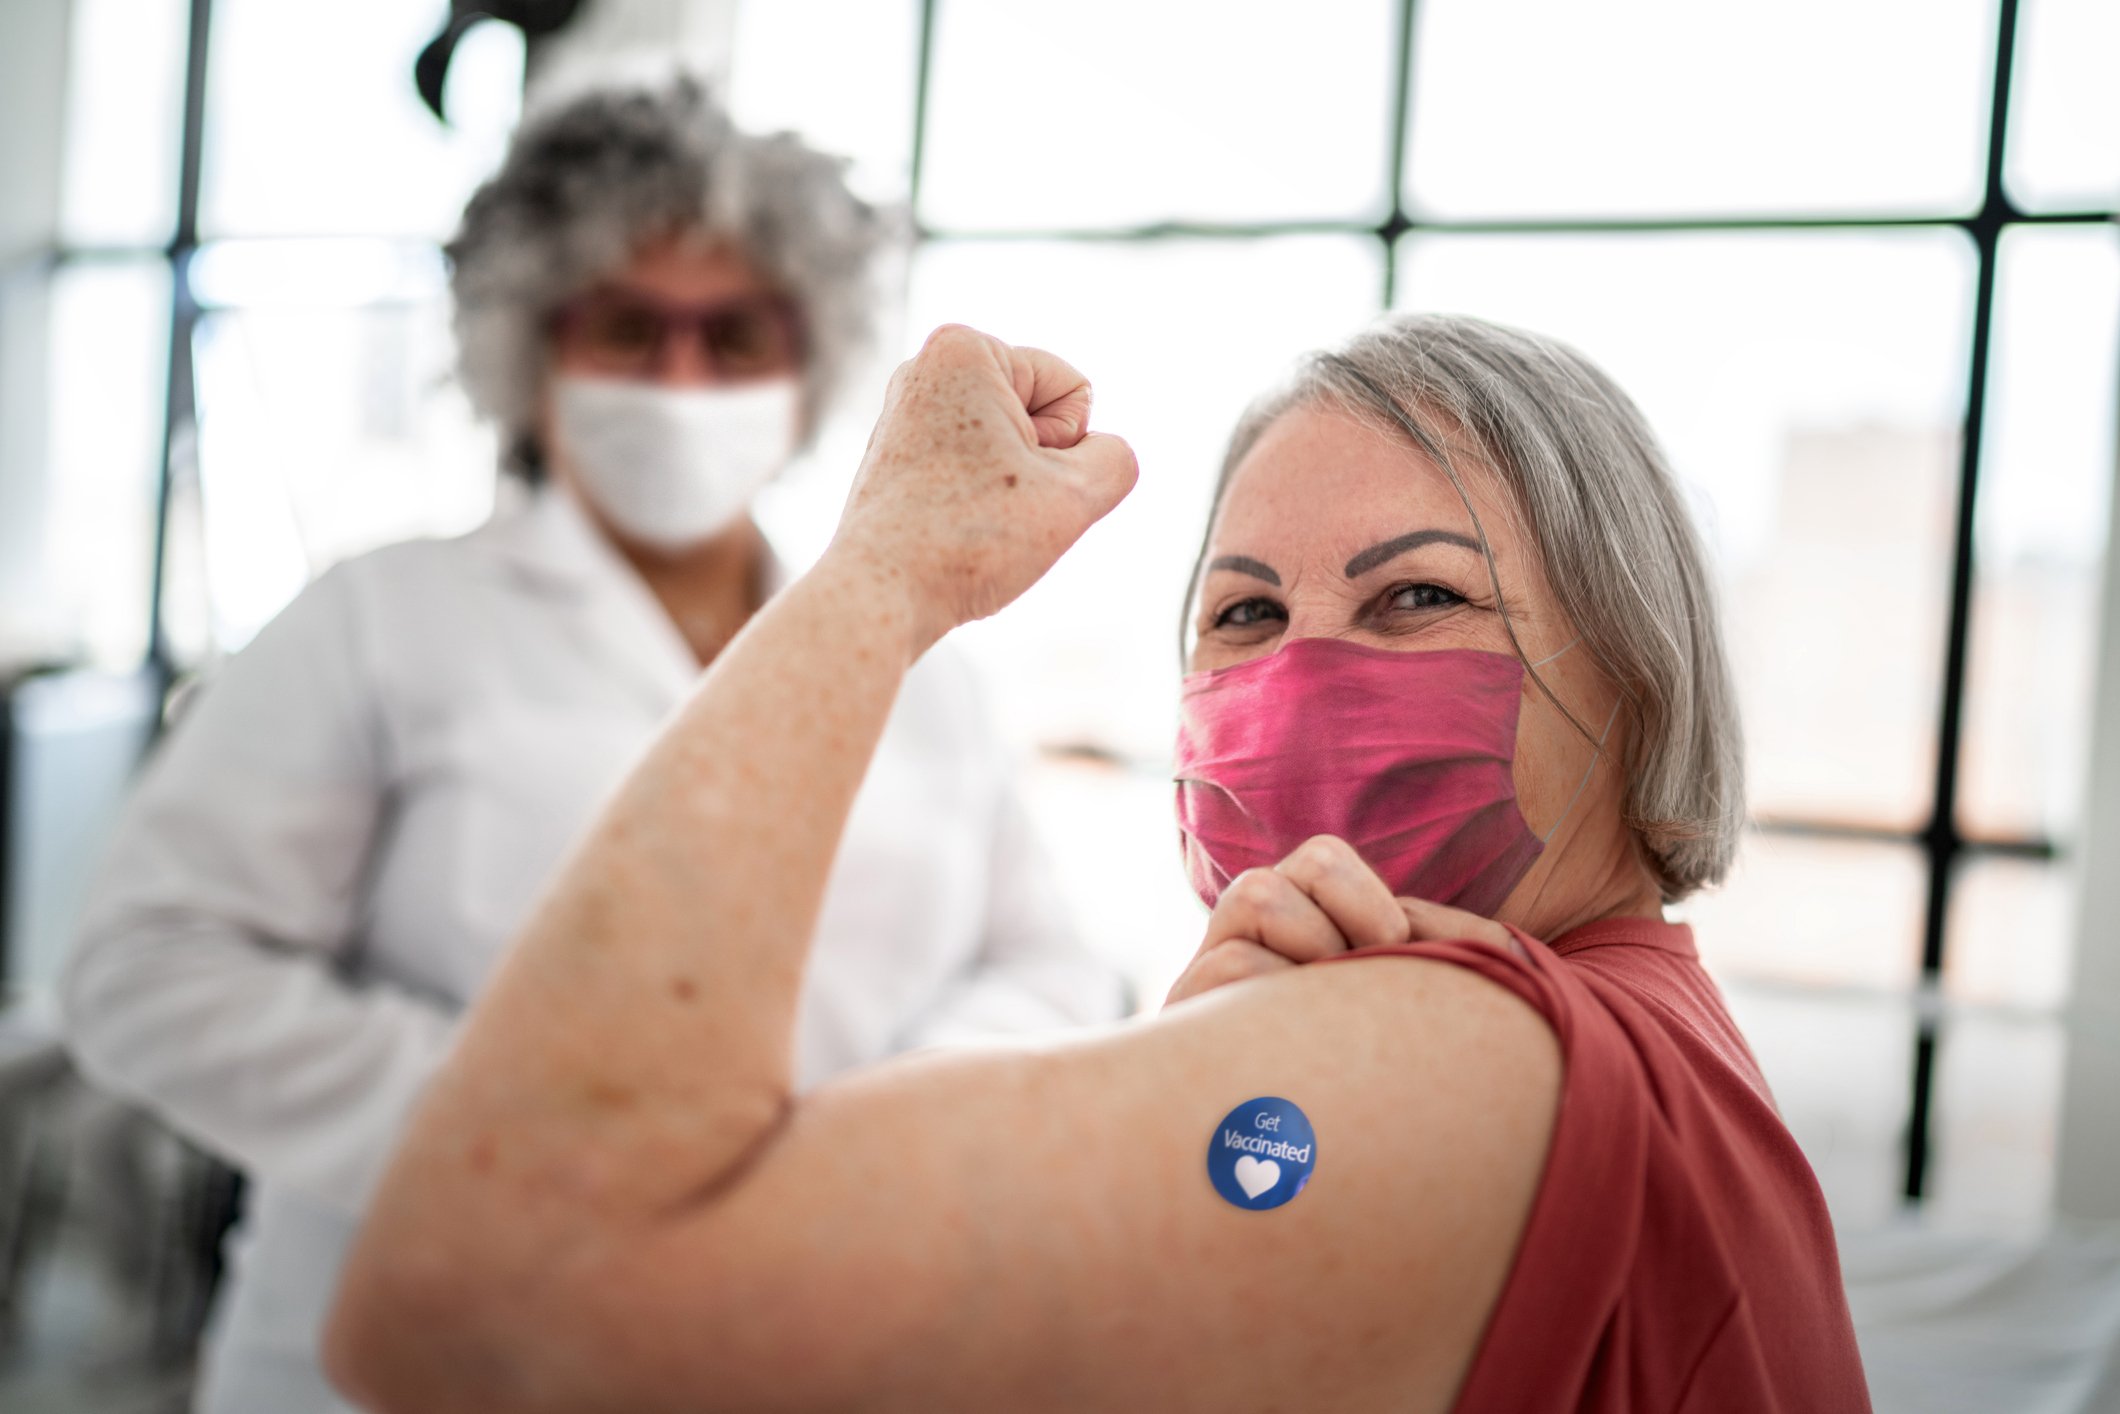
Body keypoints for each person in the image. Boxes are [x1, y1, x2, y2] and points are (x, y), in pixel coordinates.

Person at [323, 315, 1873, 1412]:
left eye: (1415, 599)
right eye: (1247, 616)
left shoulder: (1477, 1049)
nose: (1308, 673)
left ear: (1639, 669)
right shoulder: (1631, 1038)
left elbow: (497, 1299)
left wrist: (885, 569)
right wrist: (1215, 1064)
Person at [59, 82, 1121, 1414]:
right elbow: (148, 967)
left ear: (812, 366)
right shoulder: (378, 619)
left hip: (804, 1326)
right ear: (532, 351)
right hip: (403, 1353)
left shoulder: (925, 661)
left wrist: (855, 1145)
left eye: (735, 336)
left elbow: (1049, 967)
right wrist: (535, 1137)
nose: (683, 381)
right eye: (629, 329)